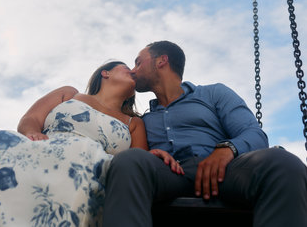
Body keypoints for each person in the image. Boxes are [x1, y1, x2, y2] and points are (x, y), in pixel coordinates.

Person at [0, 61, 183, 226]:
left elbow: (134, 165)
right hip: (43, 151)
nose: (133, 72)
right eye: (127, 67)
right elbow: (31, 119)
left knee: (82, 153)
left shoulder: (132, 123)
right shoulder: (69, 94)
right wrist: (32, 132)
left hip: (92, 167)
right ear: (106, 72)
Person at [102, 41, 307, 227]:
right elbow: (100, 111)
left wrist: (227, 149)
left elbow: (253, 133)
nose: (134, 71)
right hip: (170, 174)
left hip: (222, 171)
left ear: (161, 61)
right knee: (129, 160)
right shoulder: (142, 120)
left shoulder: (213, 93)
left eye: (138, 63)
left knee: (282, 163)